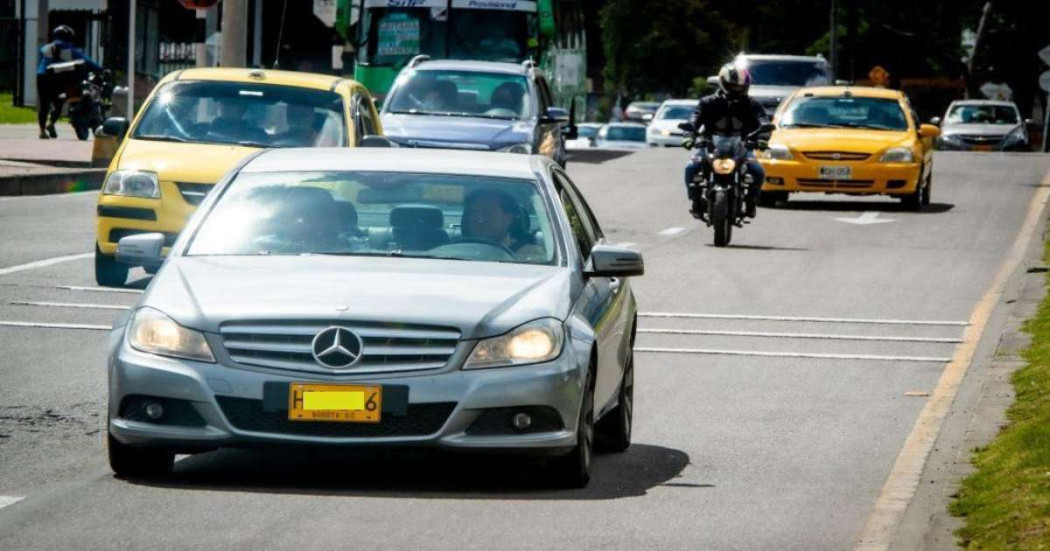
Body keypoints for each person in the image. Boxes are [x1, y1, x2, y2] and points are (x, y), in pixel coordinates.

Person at [685, 62, 769, 218]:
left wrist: (763, 137)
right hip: (711, 145)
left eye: (740, 86)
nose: (737, 89)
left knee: (758, 172)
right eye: (733, 85)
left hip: (742, 146)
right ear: (722, 82)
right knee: (691, 167)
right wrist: (690, 135)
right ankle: (696, 202)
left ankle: (751, 201)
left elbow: (762, 120)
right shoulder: (707, 102)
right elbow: (694, 118)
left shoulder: (752, 103)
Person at [36, 25, 102, 140]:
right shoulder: (68, 48)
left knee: (44, 105)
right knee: (60, 101)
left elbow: (44, 60)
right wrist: (99, 68)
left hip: (42, 76)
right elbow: (85, 60)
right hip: (57, 77)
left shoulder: (45, 48)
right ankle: (51, 123)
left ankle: (42, 131)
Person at [461, 189, 545, 261]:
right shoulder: (453, 251)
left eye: (488, 214)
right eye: (473, 213)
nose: (479, 220)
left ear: (509, 218)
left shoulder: (530, 254)